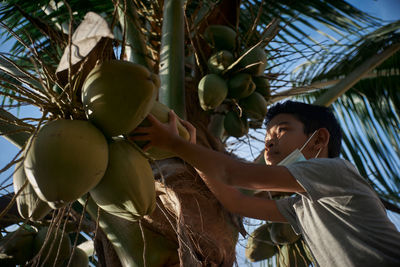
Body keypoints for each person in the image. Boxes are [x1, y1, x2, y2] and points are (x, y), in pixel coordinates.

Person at [130, 100, 400, 267]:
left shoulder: (334, 171)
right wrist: (188, 151)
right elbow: (237, 202)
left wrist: (176, 145)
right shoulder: (301, 207)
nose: (269, 142)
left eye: (282, 130)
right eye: (266, 136)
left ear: (318, 140)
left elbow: (233, 174)